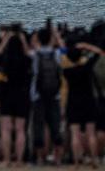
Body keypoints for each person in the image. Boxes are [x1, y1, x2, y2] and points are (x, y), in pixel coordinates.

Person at [61, 38, 103, 166]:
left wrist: (69, 51)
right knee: (91, 133)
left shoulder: (66, 71)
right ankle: (94, 160)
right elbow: (100, 52)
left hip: (73, 102)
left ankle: (76, 162)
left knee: (75, 134)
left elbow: (64, 55)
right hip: (88, 101)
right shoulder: (87, 68)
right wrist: (86, 46)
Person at [0, 27, 31, 166]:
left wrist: (6, 38)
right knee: (21, 129)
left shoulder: (4, 60)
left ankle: (7, 159)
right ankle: (20, 160)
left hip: (6, 95)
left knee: (6, 129)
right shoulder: (25, 60)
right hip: (22, 95)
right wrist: (22, 39)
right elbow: (29, 55)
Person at [30, 24, 64, 165]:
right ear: (51, 39)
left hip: (38, 94)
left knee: (38, 126)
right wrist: (56, 34)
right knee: (55, 126)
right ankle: (58, 159)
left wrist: (36, 35)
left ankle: (39, 158)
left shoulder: (35, 54)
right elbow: (64, 49)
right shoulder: (56, 54)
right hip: (54, 94)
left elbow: (32, 45)